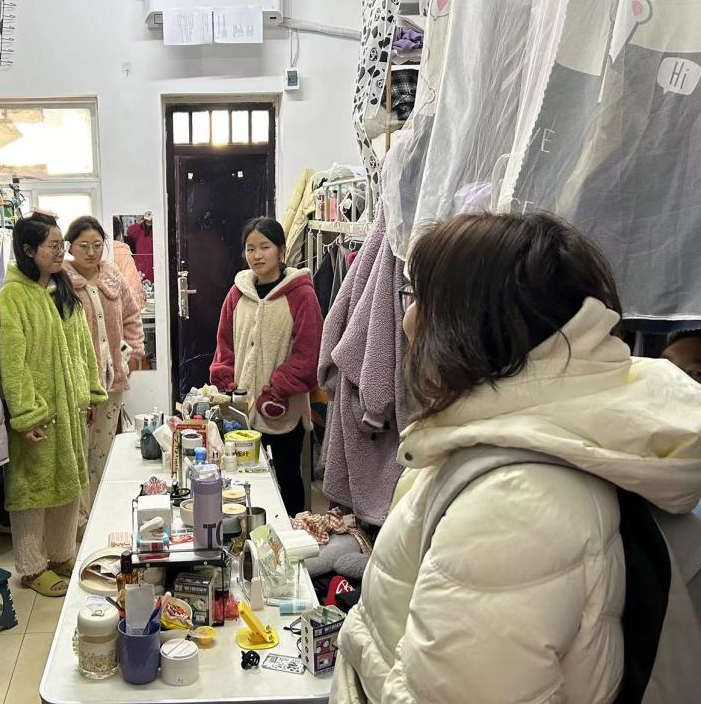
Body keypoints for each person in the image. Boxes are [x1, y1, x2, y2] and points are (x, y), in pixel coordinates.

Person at [331, 213, 701, 704]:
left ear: (475, 323)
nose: (407, 320)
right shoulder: (513, 438)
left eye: (421, 298)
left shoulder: (513, 503)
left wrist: (357, 642)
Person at [0, 212, 107, 597]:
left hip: (70, 409)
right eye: (54, 246)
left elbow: (83, 349)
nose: (62, 252)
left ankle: (61, 554)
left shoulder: (63, 290)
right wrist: (26, 415)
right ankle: (31, 567)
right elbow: (12, 363)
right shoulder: (12, 297)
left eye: (63, 245)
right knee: (33, 490)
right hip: (40, 413)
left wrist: (90, 392)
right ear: (28, 250)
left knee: (69, 485)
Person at [210, 217, 323, 516]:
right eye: (250, 248)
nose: (257, 255)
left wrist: (279, 386)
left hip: (282, 408)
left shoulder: (301, 294)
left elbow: (309, 352)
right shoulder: (238, 292)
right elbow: (224, 343)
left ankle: (291, 532)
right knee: (241, 477)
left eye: (265, 247)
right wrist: (226, 381)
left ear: (281, 251)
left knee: (287, 476)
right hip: (241, 408)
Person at [64, 216, 145, 521]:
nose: (91, 252)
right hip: (79, 386)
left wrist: (133, 354)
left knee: (104, 451)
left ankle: (102, 514)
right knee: (79, 453)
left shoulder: (112, 276)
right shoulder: (61, 281)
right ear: (70, 246)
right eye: (83, 245)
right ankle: (80, 519)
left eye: (97, 245)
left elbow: (132, 317)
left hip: (112, 381)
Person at [112, 215, 146, 310]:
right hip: (123, 310)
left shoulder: (98, 252)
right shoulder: (122, 252)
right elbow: (134, 293)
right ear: (119, 234)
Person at [125, 212, 154, 283]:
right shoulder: (138, 230)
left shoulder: (158, 230)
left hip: (153, 268)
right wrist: (140, 221)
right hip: (140, 269)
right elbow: (130, 231)